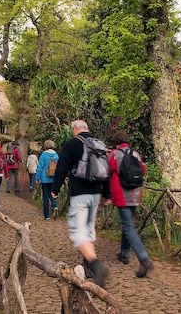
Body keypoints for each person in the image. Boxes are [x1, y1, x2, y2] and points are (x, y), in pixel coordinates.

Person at [52, 120, 110, 288]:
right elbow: (106, 170)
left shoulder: (72, 144)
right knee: (89, 229)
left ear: (75, 129)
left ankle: (96, 265)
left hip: (79, 194)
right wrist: (106, 194)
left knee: (78, 233)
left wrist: (55, 189)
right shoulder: (99, 144)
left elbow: (62, 168)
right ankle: (89, 265)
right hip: (95, 194)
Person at [103, 131, 153, 277]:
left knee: (128, 225)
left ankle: (143, 258)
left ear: (116, 142)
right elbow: (143, 169)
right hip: (136, 194)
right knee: (128, 223)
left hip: (122, 195)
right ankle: (124, 253)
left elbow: (106, 172)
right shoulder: (135, 154)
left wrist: (106, 195)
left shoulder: (114, 155)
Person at [35, 140, 59, 219]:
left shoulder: (43, 155)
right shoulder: (56, 155)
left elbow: (40, 167)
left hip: (44, 178)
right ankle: (54, 206)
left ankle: (47, 215)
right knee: (53, 193)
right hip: (54, 178)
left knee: (45, 196)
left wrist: (37, 178)